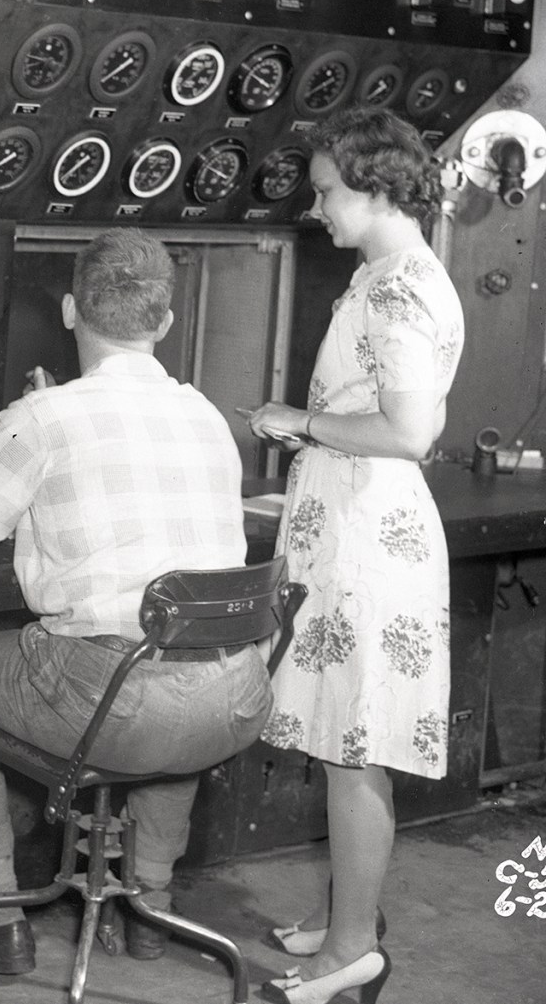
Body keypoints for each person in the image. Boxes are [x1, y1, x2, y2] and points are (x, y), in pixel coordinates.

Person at [0, 226, 272, 973]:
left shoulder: (46, 419)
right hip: (236, 696)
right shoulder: (207, 416)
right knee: (179, 670)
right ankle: (152, 908)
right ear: (165, 323)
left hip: (116, 702)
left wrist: (18, 433)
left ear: (72, 310)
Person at [247, 107, 462, 1004]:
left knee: (353, 750)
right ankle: (349, 919)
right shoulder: (390, 273)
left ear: (374, 186)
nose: (319, 206)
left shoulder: (397, 287)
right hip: (353, 527)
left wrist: (302, 423)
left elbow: (412, 431)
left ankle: (347, 954)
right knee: (346, 742)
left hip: (369, 542)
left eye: (329, 190)